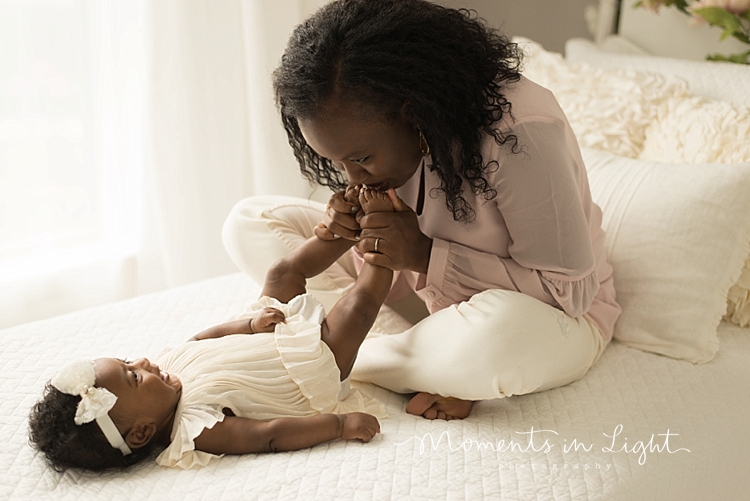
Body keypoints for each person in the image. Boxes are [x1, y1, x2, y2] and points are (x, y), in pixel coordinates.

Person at [222, 0, 621, 421]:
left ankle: (334, 355)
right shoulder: (375, 136)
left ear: (414, 113)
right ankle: (391, 353)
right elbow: (377, 251)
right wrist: (338, 234)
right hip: (417, 296)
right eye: (338, 163)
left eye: (360, 159)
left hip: (551, 318)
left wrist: (422, 254)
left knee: (499, 338)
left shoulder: (517, 135)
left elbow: (569, 295)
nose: (351, 178)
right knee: (249, 223)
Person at [29, 188, 397, 471]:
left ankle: (343, 229)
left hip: (267, 333)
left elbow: (204, 339)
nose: (142, 361)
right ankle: (384, 246)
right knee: (357, 309)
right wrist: (338, 425)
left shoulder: (168, 368)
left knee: (281, 274)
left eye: (128, 361)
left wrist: (249, 324)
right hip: (306, 371)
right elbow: (267, 436)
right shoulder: (196, 428)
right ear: (141, 432)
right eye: (134, 377)